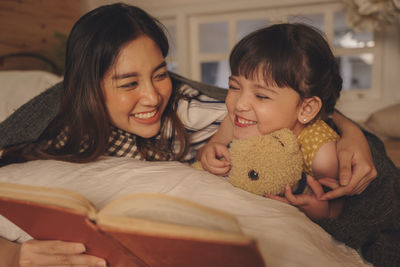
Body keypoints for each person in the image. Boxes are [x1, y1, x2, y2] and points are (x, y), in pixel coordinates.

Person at [0, 4, 377, 266]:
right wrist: (12, 256)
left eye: (161, 74)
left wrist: (352, 133)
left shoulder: (189, 109)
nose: (153, 96)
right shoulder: (55, 130)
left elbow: (292, 111)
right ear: (87, 88)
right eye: (129, 82)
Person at [199, 23, 400, 266]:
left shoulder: (323, 152)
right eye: (234, 86)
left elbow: (335, 209)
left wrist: (317, 211)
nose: (240, 104)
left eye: (261, 95)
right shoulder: (238, 118)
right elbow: (217, 141)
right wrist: (211, 150)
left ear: (306, 109)